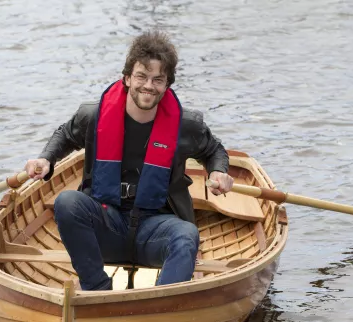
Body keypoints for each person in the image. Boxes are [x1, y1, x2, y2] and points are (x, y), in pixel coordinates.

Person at [24, 31, 234, 291]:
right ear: (127, 78)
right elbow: (65, 135)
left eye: (158, 79)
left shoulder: (186, 125)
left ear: (167, 83)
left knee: (187, 234)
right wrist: (46, 159)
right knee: (66, 202)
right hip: (106, 225)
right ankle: (97, 291)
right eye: (141, 76)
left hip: (156, 229)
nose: (149, 85)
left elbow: (214, 150)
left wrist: (218, 172)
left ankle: (161, 305)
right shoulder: (93, 115)